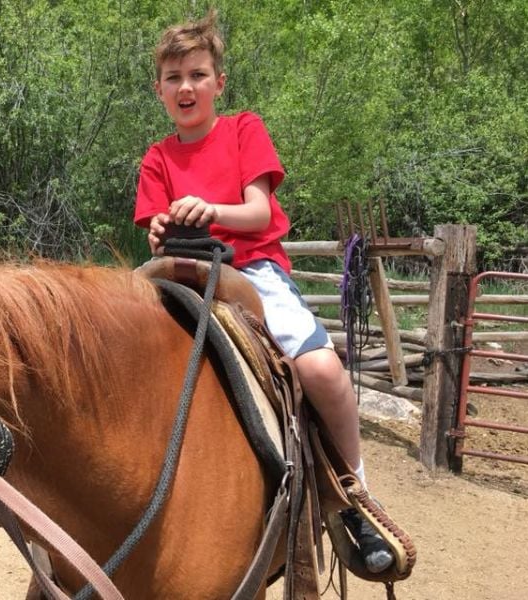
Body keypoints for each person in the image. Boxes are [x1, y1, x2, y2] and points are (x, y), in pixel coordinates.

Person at [134, 12, 393, 573]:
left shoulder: (243, 130)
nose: (186, 87)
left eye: (198, 74)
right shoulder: (156, 157)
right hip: (177, 271)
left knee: (322, 368)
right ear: (158, 88)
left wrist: (211, 210)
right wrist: (159, 229)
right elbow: (155, 225)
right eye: (174, 77)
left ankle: (354, 495)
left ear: (218, 83)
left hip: (250, 269)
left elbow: (258, 213)